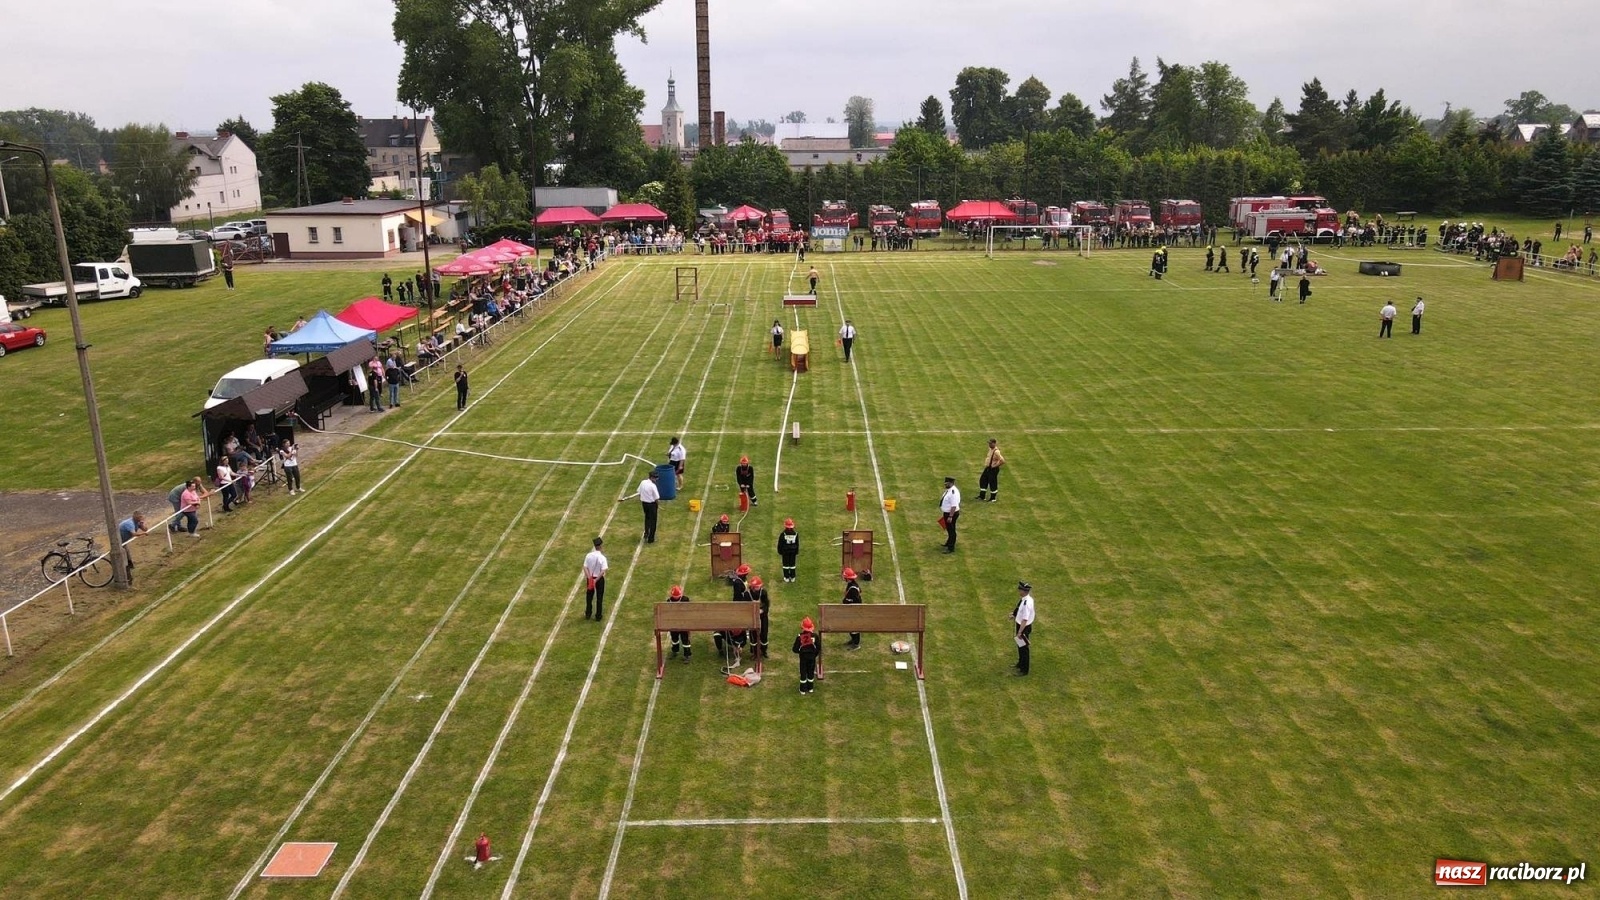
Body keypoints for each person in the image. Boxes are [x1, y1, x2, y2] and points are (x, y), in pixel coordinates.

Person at [117, 512, 148, 585]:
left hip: (124, 541)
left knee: (126, 552)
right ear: (137, 518)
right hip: (118, 541)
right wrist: (143, 534)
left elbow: (145, 529)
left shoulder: (138, 522)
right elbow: (134, 534)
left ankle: (130, 565)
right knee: (123, 554)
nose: (142, 519)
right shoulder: (129, 523)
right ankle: (125, 569)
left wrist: (142, 524)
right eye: (141, 517)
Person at [793, 617, 821, 694]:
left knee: (803, 672)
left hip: (803, 658)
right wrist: (814, 655)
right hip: (812, 658)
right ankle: (810, 688)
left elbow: (795, 649)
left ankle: (802, 690)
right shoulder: (815, 636)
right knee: (811, 672)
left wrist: (801, 652)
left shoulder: (799, 636)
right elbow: (818, 648)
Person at [1012, 580, 1036, 675]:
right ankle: (1020, 663)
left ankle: (1024, 670)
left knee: (1024, 648)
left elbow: (1025, 619)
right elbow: (1019, 608)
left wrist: (1020, 632)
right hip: (1021, 625)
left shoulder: (1027, 603)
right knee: (1020, 646)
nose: (1019, 591)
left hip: (1023, 627)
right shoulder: (1025, 599)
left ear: (1024, 591)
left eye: (1020, 590)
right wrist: (1014, 615)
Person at [583, 537, 608, 620]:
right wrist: (596, 580)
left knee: (589, 597)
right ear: (600, 546)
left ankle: (588, 613)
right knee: (599, 598)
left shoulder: (588, 555)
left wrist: (589, 578)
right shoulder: (602, 558)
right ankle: (598, 616)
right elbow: (603, 570)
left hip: (590, 578)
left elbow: (585, 567)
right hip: (599, 579)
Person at [667, 584, 691, 661]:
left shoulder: (685, 599)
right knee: (674, 638)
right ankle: (675, 651)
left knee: (685, 639)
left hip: (683, 624)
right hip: (674, 624)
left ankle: (687, 655)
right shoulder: (669, 601)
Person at [841, 567, 863, 649]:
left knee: (854, 627)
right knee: (850, 626)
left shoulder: (853, 588)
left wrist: (846, 601)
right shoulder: (852, 585)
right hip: (851, 609)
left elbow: (854, 600)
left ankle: (856, 644)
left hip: (854, 610)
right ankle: (853, 640)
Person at [749, 575, 771, 658]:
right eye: (757, 587)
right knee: (753, 634)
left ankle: (764, 651)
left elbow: (767, 604)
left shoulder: (763, 592)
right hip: (752, 617)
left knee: (764, 633)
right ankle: (754, 652)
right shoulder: (748, 594)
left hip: (763, 616)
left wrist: (762, 611)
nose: (759, 588)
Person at [977, 438, 1004, 502]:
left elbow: (1002, 461)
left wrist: (995, 465)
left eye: (990, 443)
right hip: (987, 468)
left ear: (994, 443)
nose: (989, 444)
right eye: (989, 443)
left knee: (992, 483)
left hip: (993, 469)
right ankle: (982, 496)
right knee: (983, 480)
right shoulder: (990, 449)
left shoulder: (996, 451)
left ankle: (993, 498)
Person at [939, 476, 961, 553]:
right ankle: (948, 543)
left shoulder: (953, 493)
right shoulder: (950, 490)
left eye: (946, 483)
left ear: (951, 483)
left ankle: (951, 548)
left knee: (951, 530)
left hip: (951, 514)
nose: (945, 485)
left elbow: (954, 505)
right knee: (949, 529)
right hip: (947, 513)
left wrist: (950, 516)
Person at [638, 471, 661, 543]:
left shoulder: (643, 482)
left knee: (647, 518)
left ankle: (646, 533)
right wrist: (658, 505)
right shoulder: (653, 486)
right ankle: (651, 539)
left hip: (644, 503)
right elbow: (657, 498)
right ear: (651, 477)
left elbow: (639, 492)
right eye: (655, 478)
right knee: (653, 521)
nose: (656, 479)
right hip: (651, 504)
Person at [777, 518, 800, 583]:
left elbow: (780, 543)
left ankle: (786, 577)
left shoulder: (783, 534)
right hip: (793, 552)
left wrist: (779, 551)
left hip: (785, 552)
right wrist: (797, 551)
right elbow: (797, 544)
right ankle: (792, 577)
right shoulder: (796, 534)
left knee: (785, 565)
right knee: (792, 564)